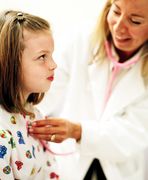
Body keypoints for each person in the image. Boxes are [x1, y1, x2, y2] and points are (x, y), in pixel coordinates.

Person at [28, 0, 148, 179]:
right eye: (116, 12)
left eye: (135, 21)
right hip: (68, 163)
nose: (119, 27)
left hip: (121, 169)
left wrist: (77, 131)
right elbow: (42, 92)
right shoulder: (82, 41)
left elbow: (131, 134)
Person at [0, 10, 59, 179]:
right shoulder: (2, 133)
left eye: (51, 55)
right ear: (11, 63)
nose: (53, 65)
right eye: (42, 57)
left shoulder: (35, 116)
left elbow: (50, 172)